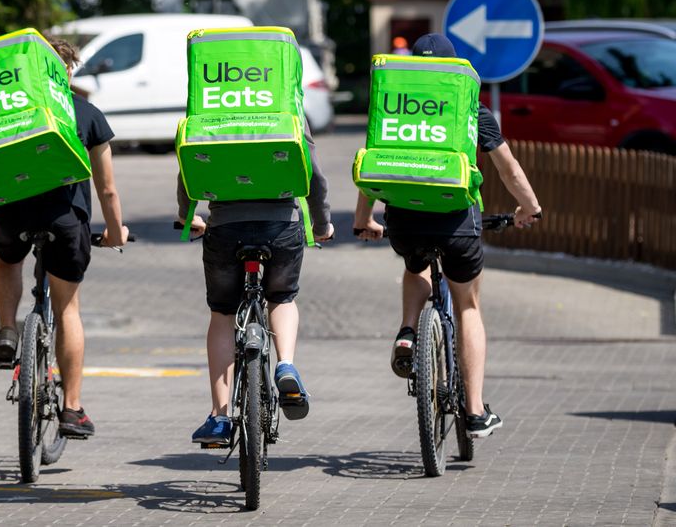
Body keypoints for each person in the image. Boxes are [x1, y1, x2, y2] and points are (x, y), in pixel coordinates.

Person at [353, 32, 542, 438]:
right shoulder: (470, 107)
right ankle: (474, 411)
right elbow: (508, 168)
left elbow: (372, 169)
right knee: (467, 306)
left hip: (404, 219)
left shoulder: (393, 106)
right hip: (457, 223)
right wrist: (529, 207)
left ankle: (407, 331)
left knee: (416, 264)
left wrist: (364, 219)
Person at [0, 35, 129, 439]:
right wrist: (116, 232)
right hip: (66, 221)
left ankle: (9, 329)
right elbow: (108, 189)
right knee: (67, 309)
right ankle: (72, 409)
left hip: (12, 214)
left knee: (9, 259)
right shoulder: (87, 114)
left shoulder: (16, 110)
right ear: (68, 71)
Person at [177, 130, 333, 445]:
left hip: (225, 226)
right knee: (282, 298)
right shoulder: (285, 104)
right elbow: (313, 173)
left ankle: (220, 417)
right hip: (281, 226)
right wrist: (322, 222)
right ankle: (285, 364)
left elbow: (188, 166)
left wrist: (187, 215)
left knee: (223, 313)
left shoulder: (211, 107)